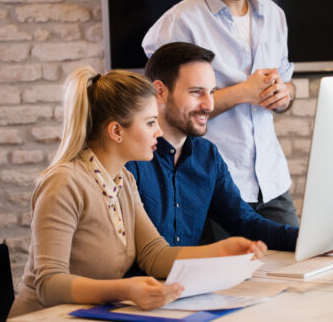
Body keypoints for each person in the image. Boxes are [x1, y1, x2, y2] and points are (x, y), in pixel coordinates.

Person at [9, 67, 266, 317]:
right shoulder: (64, 183)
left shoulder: (123, 180)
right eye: (151, 122)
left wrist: (220, 251)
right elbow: (49, 285)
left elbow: (155, 255)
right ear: (116, 131)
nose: (159, 131)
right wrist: (125, 290)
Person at [142, 0, 299, 233]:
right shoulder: (180, 23)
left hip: (271, 180)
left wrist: (285, 95)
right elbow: (167, 110)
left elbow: (288, 83)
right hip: (214, 186)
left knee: (296, 271)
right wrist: (244, 91)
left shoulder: (274, 15)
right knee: (228, 282)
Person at [125, 42, 301, 255]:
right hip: (140, 285)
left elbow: (245, 222)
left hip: (192, 283)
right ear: (160, 91)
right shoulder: (129, 157)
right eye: (197, 92)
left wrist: (310, 241)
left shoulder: (207, 155)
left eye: (212, 92)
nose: (209, 105)